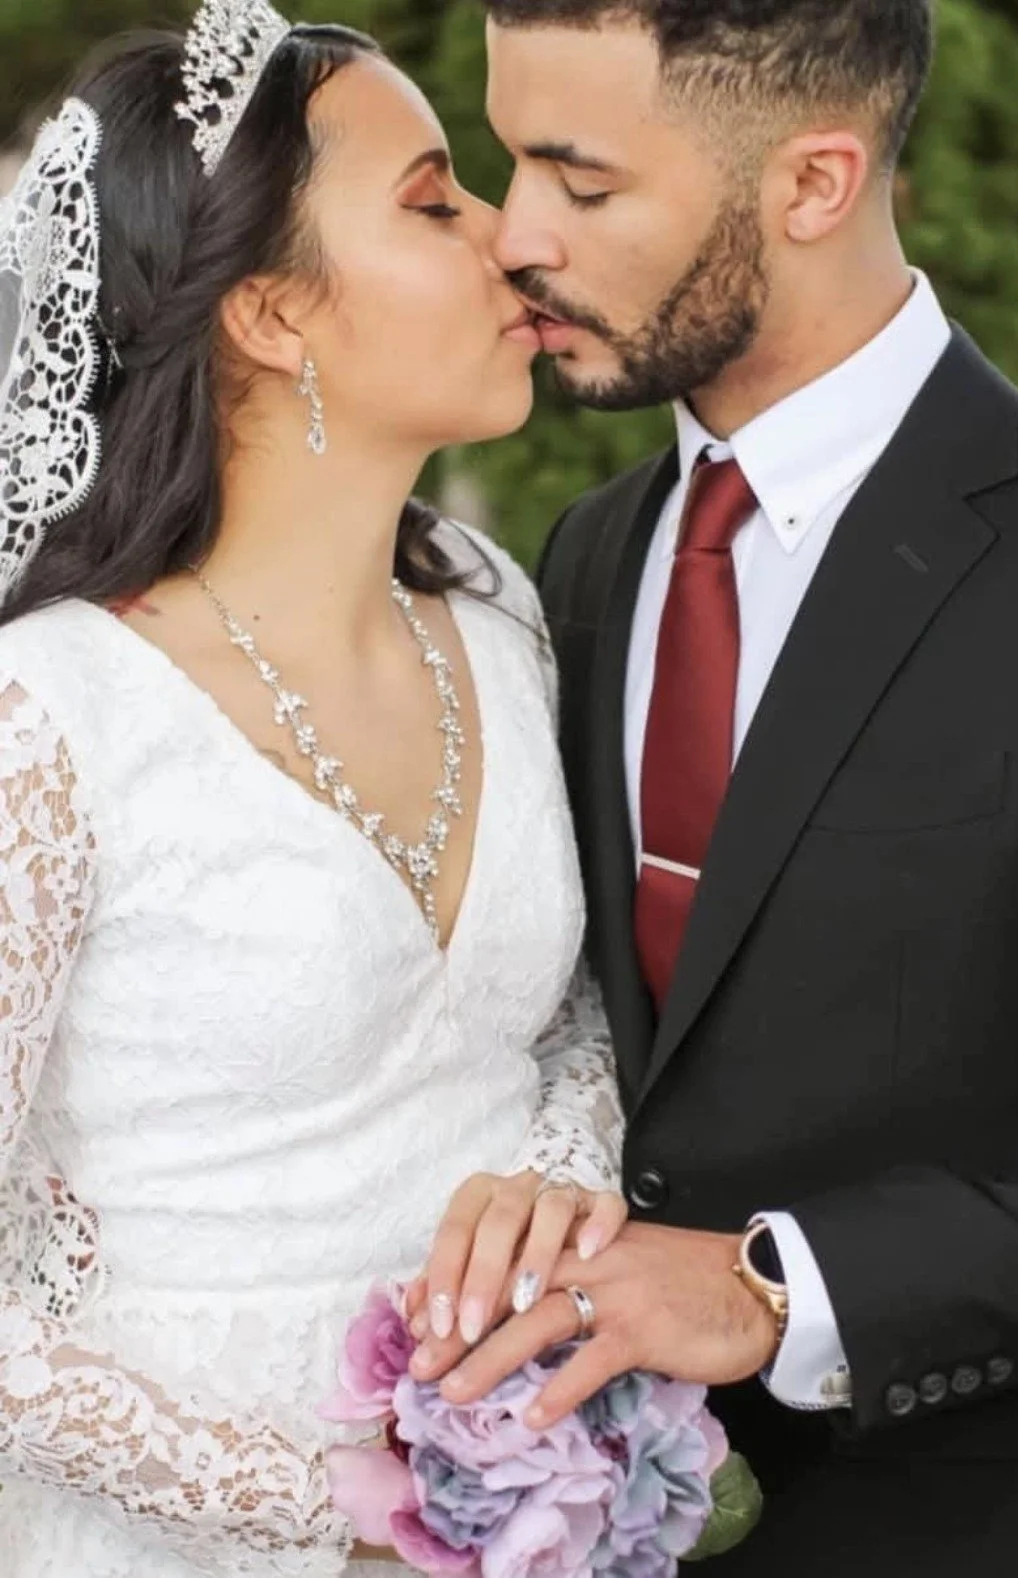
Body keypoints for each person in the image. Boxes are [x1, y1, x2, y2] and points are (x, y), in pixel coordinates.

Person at [410, 2, 1018, 1573]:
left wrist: (784, 1287)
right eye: (511, 165)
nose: (516, 235)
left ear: (815, 182)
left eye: (582, 181)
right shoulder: (588, 555)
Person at [0, 5, 627, 1575]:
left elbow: (561, 1014)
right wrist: (345, 1510)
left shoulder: (496, 612)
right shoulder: (50, 716)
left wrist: (562, 1179)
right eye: (434, 201)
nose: (511, 237)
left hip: (530, 1513)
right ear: (274, 312)